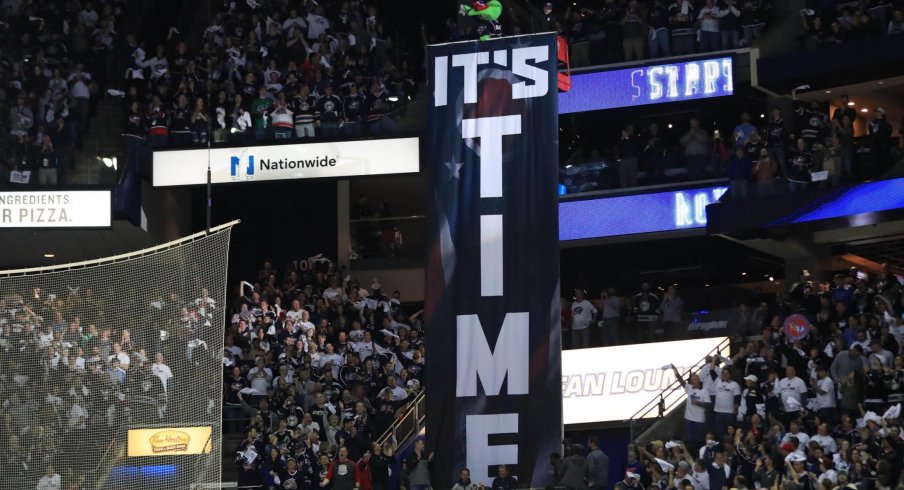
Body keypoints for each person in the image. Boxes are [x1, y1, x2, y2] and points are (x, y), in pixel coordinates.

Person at [672, 364, 708, 451]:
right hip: (689, 418)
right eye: (692, 380)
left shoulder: (704, 391)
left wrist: (698, 403)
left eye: (695, 380)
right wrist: (674, 369)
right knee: (689, 439)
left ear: (699, 381)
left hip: (699, 420)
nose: (693, 382)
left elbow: (709, 405)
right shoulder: (689, 388)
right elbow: (681, 381)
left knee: (699, 440)